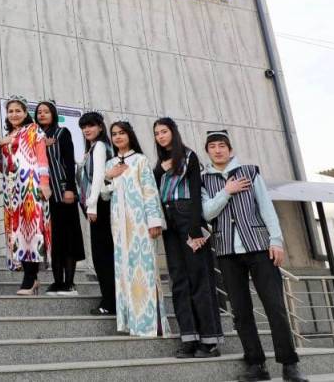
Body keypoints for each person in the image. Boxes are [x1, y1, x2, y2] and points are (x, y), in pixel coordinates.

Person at [201, 130, 308, 382]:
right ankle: (256, 364)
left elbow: (266, 206)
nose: (217, 150)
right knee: (241, 311)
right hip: (227, 251)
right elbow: (206, 213)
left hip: (259, 247)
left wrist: (276, 240)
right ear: (208, 152)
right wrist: (227, 191)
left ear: (230, 149)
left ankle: (289, 365)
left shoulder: (250, 172)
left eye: (222, 145)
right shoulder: (203, 180)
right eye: (212, 146)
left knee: (275, 307)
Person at [154, 117, 223, 357]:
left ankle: (209, 341)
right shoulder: (160, 162)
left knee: (199, 278)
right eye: (157, 133)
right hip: (169, 219)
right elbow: (152, 186)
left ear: (173, 132)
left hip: (187, 217)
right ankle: (189, 338)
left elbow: (195, 191)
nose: (161, 136)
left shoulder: (189, 156)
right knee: (178, 280)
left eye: (164, 131)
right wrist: (158, 170)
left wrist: (195, 227)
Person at [106, 121, 165, 337]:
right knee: (124, 271)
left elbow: (150, 190)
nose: (118, 137)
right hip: (119, 225)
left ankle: (149, 325)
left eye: (122, 133)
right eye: (114, 134)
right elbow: (104, 193)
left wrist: (154, 221)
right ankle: (130, 323)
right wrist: (109, 175)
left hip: (140, 223)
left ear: (130, 135)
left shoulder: (140, 160)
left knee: (144, 269)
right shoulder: (111, 163)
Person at [0, 96, 50, 295]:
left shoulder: (34, 130)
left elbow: (42, 158)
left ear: (25, 112)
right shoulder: (8, 135)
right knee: (17, 230)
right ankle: (28, 275)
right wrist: (0, 147)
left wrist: (44, 183)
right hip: (12, 189)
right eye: (10, 111)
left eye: (18, 111)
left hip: (30, 185)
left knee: (30, 228)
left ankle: (31, 277)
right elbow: (2, 166)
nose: (14, 114)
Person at [35, 100, 83, 296]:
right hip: (45, 197)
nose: (42, 114)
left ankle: (69, 283)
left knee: (68, 238)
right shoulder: (35, 137)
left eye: (46, 112)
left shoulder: (62, 133)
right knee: (54, 240)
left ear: (53, 114)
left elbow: (69, 162)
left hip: (63, 193)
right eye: (39, 112)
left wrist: (70, 188)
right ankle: (57, 282)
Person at [77, 111, 116, 315]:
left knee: (102, 256)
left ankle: (109, 303)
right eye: (84, 127)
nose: (87, 130)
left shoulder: (100, 146)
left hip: (100, 204)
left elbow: (99, 176)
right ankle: (110, 300)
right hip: (97, 204)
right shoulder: (94, 148)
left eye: (91, 125)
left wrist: (91, 206)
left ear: (100, 127)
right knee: (103, 255)